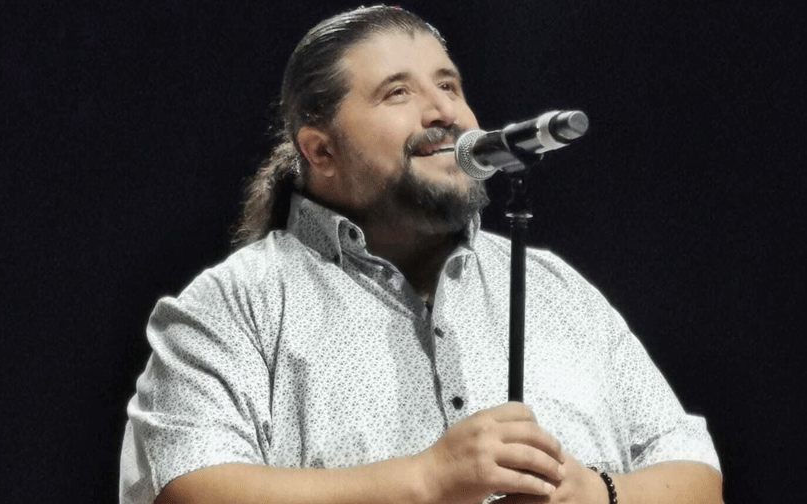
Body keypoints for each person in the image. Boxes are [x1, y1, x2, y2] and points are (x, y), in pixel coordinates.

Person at [120, 5, 722, 504]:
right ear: (320, 150)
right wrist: (428, 480)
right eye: (398, 92)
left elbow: (696, 475)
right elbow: (189, 489)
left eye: (449, 85)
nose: (443, 112)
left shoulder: (557, 290)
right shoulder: (233, 304)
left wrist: (597, 494)